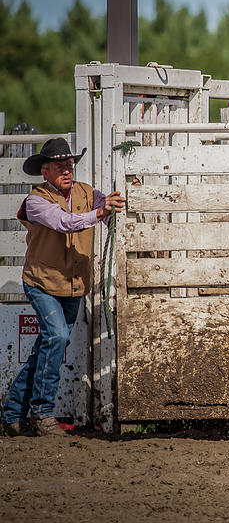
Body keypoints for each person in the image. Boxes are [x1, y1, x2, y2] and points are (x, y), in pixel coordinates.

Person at [1, 138, 124, 436]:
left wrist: (113, 206)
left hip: (73, 284)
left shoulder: (86, 193)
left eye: (69, 165)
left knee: (49, 345)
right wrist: (99, 213)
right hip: (42, 283)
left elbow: (105, 207)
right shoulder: (36, 200)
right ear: (45, 171)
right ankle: (43, 413)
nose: (67, 171)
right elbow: (65, 222)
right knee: (56, 337)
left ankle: (12, 412)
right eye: (60, 167)